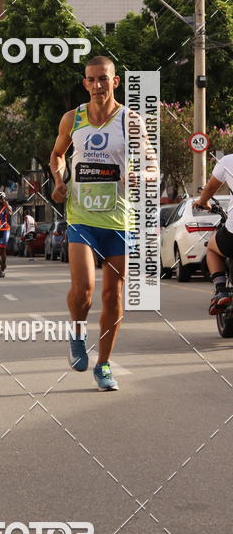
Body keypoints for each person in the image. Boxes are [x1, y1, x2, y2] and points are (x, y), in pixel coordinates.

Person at [49, 55, 151, 392]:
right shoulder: (72, 118)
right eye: (91, 80)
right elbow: (57, 154)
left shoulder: (131, 121)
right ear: (85, 83)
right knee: (84, 292)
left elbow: (150, 164)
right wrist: (59, 179)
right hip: (82, 216)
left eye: (103, 79)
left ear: (115, 81)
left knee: (112, 294)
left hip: (120, 219)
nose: (97, 85)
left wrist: (137, 174)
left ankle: (104, 364)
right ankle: (77, 335)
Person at [193, 155, 233, 314]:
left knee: (211, 247)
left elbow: (209, 189)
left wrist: (202, 202)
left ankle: (221, 290)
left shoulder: (227, 161)